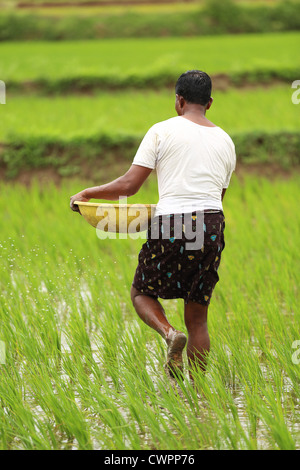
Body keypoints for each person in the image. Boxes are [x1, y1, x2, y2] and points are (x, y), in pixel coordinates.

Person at [70, 70, 236, 381]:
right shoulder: (226, 141)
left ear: (179, 100)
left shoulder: (162, 131)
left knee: (141, 293)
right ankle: (198, 393)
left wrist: (88, 193)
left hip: (172, 220)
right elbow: (217, 196)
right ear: (210, 103)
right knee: (198, 317)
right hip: (212, 223)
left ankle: (170, 334)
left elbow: (130, 185)